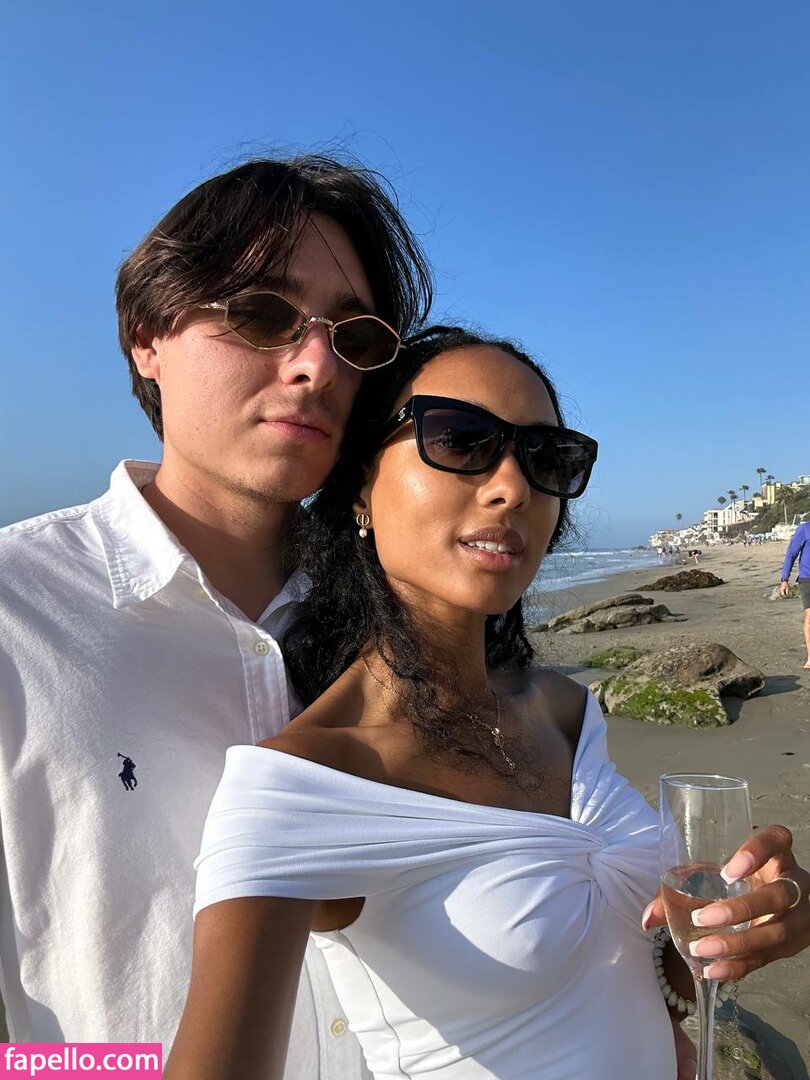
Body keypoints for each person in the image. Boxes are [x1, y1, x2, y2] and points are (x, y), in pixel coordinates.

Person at [166, 327, 810, 1080]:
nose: (514, 487)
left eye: (546, 457)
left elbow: (613, 973)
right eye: (459, 439)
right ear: (362, 486)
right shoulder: (302, 785)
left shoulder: (568, 712)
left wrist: (733, 935)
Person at [0, 153, 432, 1077]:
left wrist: (683, 952)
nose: (316, 365)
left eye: (354, 337)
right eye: (264, 315)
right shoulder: (16, 614)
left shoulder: (402, 624)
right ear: (147, 338)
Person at [779, 519, 810, 669]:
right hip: (807, 579)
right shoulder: (805, 529)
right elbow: (791, 554)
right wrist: (784, 579)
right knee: (809, 616)